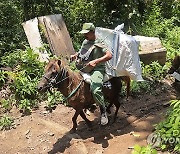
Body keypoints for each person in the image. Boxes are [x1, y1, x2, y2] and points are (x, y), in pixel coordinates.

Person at [71, 23, 112, 125]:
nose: (84, 36)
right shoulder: (86, 41)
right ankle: (87, 103)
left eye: (86, 33)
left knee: (95, 88)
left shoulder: (100, 42)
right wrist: (75, 55)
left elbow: (109, 55)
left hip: (97, 69)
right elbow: (82, 52)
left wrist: (96, 61)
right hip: (84, 67)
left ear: (93, 32)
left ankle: (103, 112)